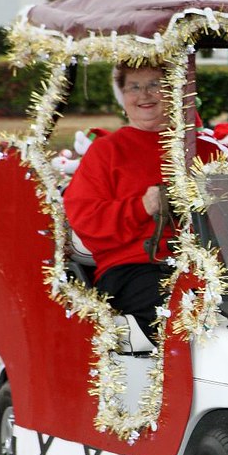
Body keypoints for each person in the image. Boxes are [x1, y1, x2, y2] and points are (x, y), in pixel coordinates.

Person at [64, 63, 176, 343]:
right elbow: (86, 220)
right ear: (122, 96)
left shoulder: (198, 147)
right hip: (134, 267)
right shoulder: (106, 150)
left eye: (154, 84)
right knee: (175, 311)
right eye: (134, 87)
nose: (144, 95)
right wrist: (141, 207)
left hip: (201, 266)